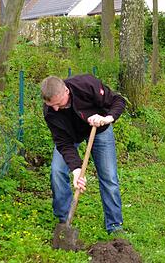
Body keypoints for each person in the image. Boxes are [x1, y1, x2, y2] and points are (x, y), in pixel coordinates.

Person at [41, 74, 126, 235]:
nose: (56, 109)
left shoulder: (86, 85)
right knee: (57, 171)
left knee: (109, 177)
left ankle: (115, 226)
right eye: (51, 105)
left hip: (99, 130)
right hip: (71, 136)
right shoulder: (50, 112)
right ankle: (64, 220)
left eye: (59, 104)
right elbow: (63, 143)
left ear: (66, 91)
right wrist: (76, 170)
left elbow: (118, 101)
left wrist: (107, 118)